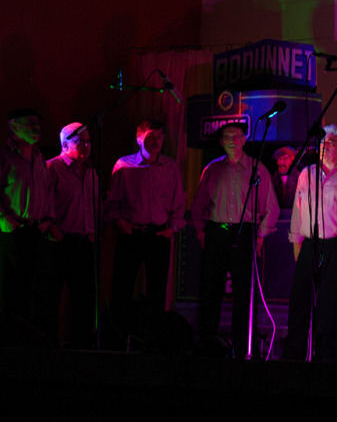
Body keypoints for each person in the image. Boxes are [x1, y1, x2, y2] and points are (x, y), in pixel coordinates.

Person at [191, 122, 279, 355]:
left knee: (244, 292)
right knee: (211, 289)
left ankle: (242, 347)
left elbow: (271, 207)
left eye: (237, 136)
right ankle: (207, 344)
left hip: (245, 232)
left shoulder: (256, 168)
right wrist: (200, 231)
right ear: (221, 142)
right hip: (216, 232)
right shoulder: (212, 169)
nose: (232, 140)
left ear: (244, 140)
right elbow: (198, 205)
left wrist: (260, 237)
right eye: (227, 136)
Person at [284, 125, 337, 361]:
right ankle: (296, 353)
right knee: (301, 299)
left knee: (332, 302)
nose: (325, 145)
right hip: (311, 243)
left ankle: (328, 354)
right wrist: (296, 242)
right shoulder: (307, 174)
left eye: (331, 141)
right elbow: (298, 210)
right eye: (323, 142)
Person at [0, 108, 60, 337]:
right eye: (30, 123)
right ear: (13, 126)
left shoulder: (39, 158)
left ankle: (22, 341)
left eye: (38, 124)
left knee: (28, 290)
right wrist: (4, 218)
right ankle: (2, 342)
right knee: (4, 291)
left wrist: (47, 220)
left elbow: (47, 192)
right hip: (9, 232)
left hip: (34, 231)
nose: (37, 128)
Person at [104, 120, 185, 336]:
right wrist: (121, 223)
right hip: (131, 234)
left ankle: (154, 339)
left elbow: (178, 202)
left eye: (159, 136)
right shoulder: (124, 165)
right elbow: (112, 202)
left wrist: (172, 229)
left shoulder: (170, 167)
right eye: (150, 137)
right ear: (139, 139)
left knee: (157, 291)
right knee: (122, 288)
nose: (156, 141)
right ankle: (119, 338)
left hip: (158, 234)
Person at [46, 122, 98, 347]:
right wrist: (52, 229)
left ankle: (82, 346)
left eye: (88, 141)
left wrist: (92, 231)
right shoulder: (52, 168)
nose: (86, 146)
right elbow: (44, 202)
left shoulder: (91, 171)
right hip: (59, 240)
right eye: (80, 142)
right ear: (65, 145)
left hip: (83, 241)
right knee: (51, 295)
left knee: (84, 297)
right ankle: (48, 345)